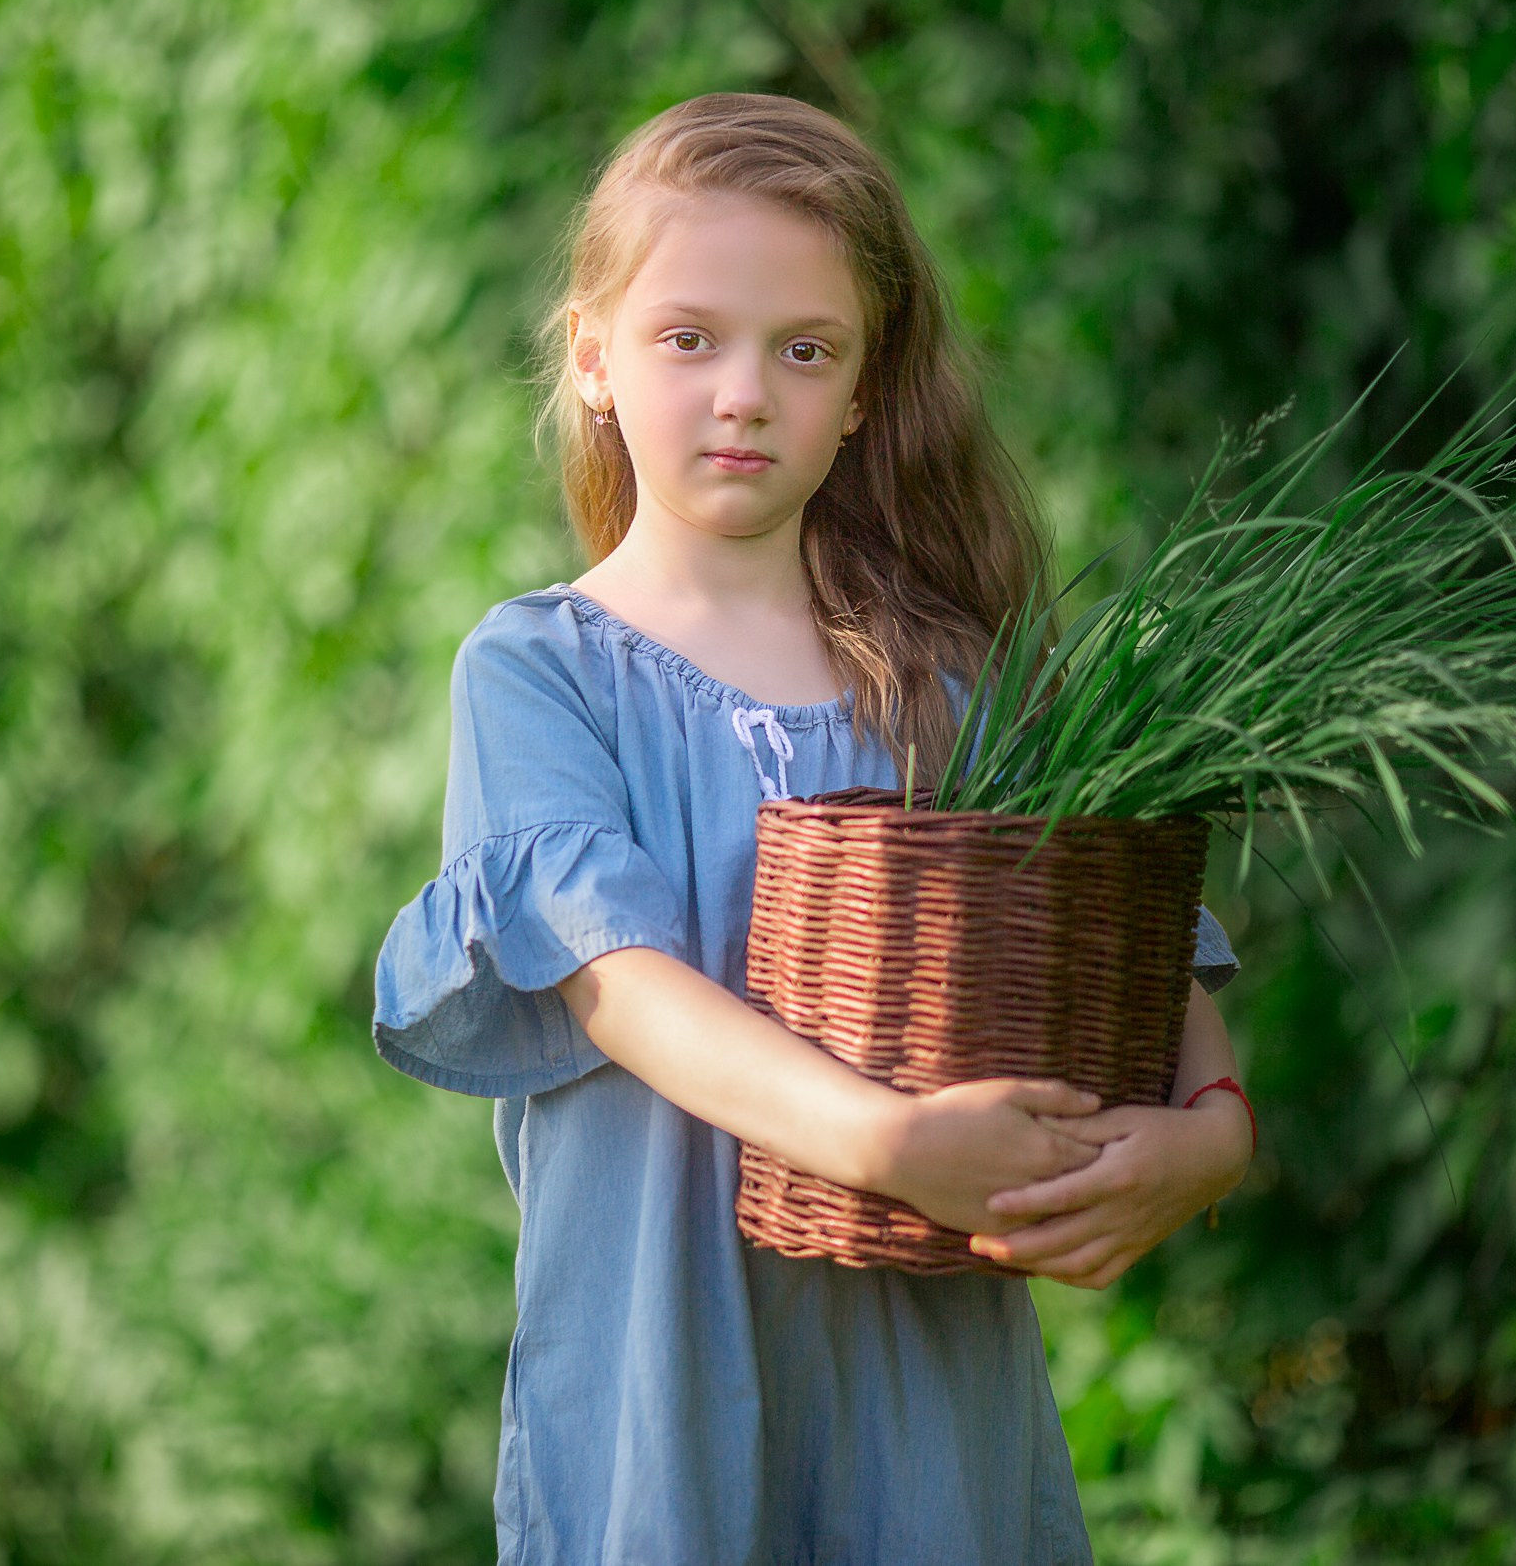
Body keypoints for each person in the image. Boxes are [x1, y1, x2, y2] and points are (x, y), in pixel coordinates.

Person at [373, 91, 1255, 1564]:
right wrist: (888, 1142)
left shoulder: (949, 683)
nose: (744, 392)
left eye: (805, 350)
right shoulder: (537, 671)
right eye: (687, 338)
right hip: (666, 1402)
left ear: (860, 393)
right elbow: (620, 985)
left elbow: (1128, 968)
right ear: (591, 356)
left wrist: (1209, 1143)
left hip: (927, 1411)